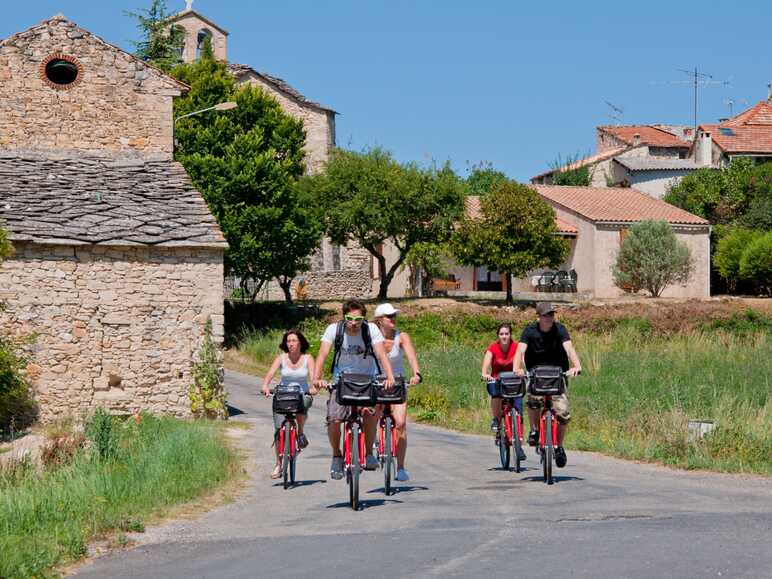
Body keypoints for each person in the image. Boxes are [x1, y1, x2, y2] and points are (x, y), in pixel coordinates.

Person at [313, 299, 395, 480]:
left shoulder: (370, 330)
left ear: (364, 319)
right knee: (334, 419)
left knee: (370, 413)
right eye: (350, 318)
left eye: (358, 320)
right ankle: (336, 456)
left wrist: (390, 377)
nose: (354, 323)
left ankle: (368, 453)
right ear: (344, 317)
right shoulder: (334, 329)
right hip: (341, 381)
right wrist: (316, 378)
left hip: (367, 379)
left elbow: (381, 354)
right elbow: (322, 354)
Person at [513, 302, 581, 468]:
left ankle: (559, 446)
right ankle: (535, 429)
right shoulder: (530, 331)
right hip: (537, 373)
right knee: (533, 401)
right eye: (545, 315)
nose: (549, 318)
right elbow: (520, 351)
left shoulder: (560, 329)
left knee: (563, 413)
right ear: (539, 317)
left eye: (551, 314)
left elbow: (569, 348)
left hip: (558, 373)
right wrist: (517, 368)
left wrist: (577, 366)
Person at [373, 303, 422, 482]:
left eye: (394, 315)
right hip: (377, 382)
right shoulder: (371, 337)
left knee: (400, 423)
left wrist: (416, 373)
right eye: (389, 316)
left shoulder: (401, 336)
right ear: (379, 320)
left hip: (398, 383)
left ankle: (400, 468)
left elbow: (411, 356)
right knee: (371, 415)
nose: (393, 318)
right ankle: (374, 440)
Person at [261, 330, 317, 479]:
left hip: (301, 394)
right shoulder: (281, 358)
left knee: (302, 404)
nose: (291, 344)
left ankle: (300, 433)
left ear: (300, 343)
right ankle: (279, 464)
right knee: (278, 430)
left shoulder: (308, 358)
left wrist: (313, 388)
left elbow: (314, 377)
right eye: (288, 341)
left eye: (294, 340)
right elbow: (270, 374)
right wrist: (266, 386)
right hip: (283, 395)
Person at [481, 323, 526, 462]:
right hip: (498, 381)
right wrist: (485, 374)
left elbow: (524, 362)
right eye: (502, 334)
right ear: (498, 336)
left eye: (507, 333)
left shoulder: (517, 347)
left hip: (513, 383)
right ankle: (496, 420)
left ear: (510, 335)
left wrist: (523, 370)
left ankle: (519, 444)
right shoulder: (492, 348)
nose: (504, 336)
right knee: (495, 394)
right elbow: (485, 366)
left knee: (519, 410)